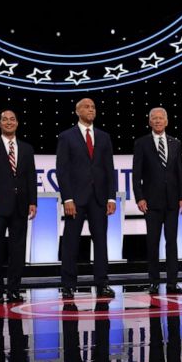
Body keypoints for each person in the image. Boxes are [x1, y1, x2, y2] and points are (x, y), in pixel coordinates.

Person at [56, 98, 118, 300]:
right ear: (77, 111)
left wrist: (111, 197)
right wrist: (67, 199)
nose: (91, 109)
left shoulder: (104, 137)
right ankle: (68, 285)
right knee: (71, 243)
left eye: (93, 107)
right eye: (86, 107)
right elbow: (62, 170)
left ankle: (102, 283)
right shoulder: (67, 137)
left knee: (101, 242)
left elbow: (109, 169)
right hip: (76, 199)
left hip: (99, 198)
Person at [0, 109, 38, 305]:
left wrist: (33, 202)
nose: (9, 122)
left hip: (20, 207)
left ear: (17, 123)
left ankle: (14, 289)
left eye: (12, 119)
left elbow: (31, 177)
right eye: (5, 119)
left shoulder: (27, 149)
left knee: (18, 251)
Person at [133, 107, 182, 295]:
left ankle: (172, 282)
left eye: (160, 118)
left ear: (166, 121)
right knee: (153, 243)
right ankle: (154, 282)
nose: (157, 121)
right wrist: (140, 197)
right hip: (151, 202)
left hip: (172, 202)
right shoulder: (141, 143)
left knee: (172, 242)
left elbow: (180, 172)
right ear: (149, 122)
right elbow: (136, 174)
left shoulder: (176, 143)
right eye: (154, 118)